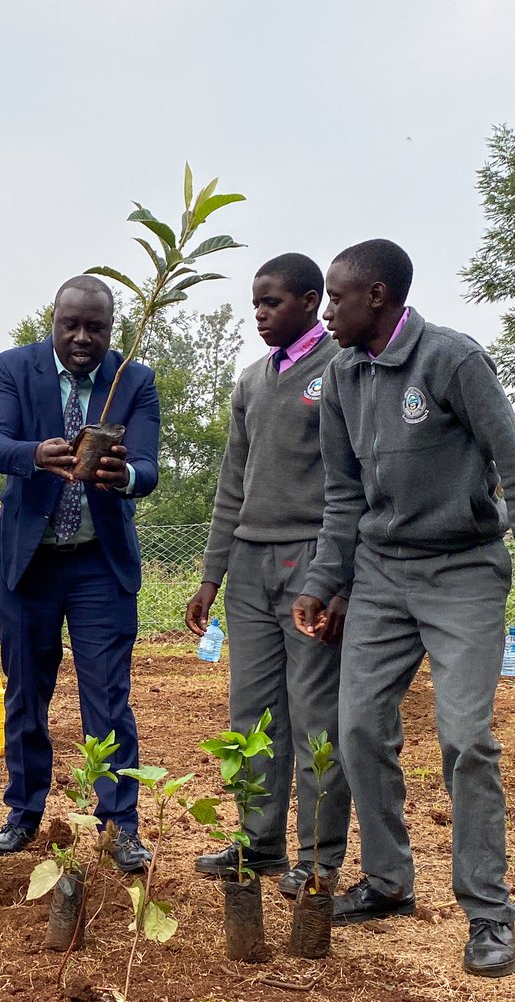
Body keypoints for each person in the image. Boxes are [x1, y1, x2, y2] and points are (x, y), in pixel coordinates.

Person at [292, 238, 515, 978]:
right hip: (383, 574)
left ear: (377, 297)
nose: (326, 312)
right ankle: (388, 881)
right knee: (356, 727)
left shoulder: (452, 360)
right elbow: (342, 498)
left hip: (463, 571)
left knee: (465, 736)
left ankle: (488, 911)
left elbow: (510, 457)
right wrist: (323, 582)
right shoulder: (342, 379)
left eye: (335, 297)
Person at [0, 275, 160, 872]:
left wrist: (123, 476)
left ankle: (119, 825)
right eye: (71, 325)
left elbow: (149, 468)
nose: (82, 338)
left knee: (107, 698)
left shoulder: (134, 380)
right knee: (26, 692)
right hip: (29, 564)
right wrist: (35, 455)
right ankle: (24, 814)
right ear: (52, 322)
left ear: (114, 330)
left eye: (96, 328)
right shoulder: (12, 369)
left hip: (98, 568)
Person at [186, 254, 352, 898]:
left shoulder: (339, 370)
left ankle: (317, 856)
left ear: (311, 302)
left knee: (315, 711)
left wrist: (338, 580)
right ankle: (258, 844)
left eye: (273, 302)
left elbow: (354, 484)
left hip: (313, 557)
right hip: (251, 563)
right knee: (252, 710)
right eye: (255, 303)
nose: (260, 314)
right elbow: (233, 483)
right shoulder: (252, 381)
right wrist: (211, 575)